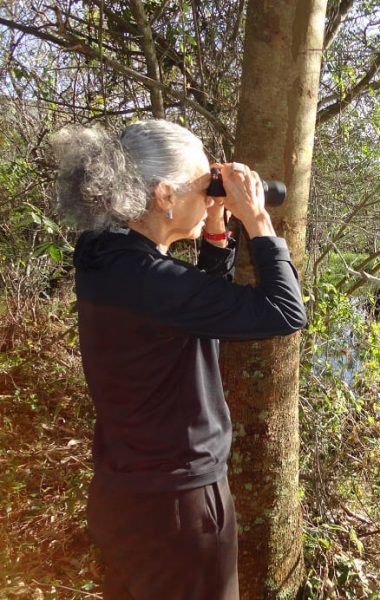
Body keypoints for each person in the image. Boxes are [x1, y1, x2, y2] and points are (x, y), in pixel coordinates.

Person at [52, 119, 306, 599]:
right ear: (165, 195)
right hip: (179, 508)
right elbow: (284, 311)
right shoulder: (150, 280)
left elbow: (191, 312)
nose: (211, 196)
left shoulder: (106, 258)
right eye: (202, 186)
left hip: (127, 494)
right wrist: (258, 221)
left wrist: (215, 237)